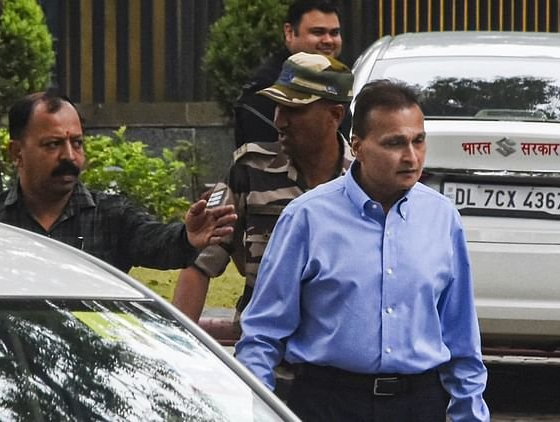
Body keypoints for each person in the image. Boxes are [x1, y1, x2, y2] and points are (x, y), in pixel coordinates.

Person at [235, 80, 490, 422]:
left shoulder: (442, 218)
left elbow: (462, 338)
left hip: (418, 404)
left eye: (418, 141)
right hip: (328, 403)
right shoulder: (307, 218)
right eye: (394, 143)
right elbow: (262, 334)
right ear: (357, 146)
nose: (411, 157)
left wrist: (470, 413)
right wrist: (255, 412)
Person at [172, 52, 354, 323]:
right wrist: (179, 343)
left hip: (336, 340)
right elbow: (199, 264)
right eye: (277, 107)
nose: (279, 121)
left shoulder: (363, 181)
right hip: (262, 341)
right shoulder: (250, 169)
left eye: (294, 110)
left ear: (335, 115)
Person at [0, 91, 237, 273]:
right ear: (17, 152)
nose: (69, 156)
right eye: (53, 144)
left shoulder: (111, 216)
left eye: (77, 143)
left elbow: (154, 240)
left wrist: (186, 237)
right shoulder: (2, 221)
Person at [234, 0, 346, 148]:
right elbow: (264, 156)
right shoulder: (266, 88)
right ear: (289, 33)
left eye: (334, 33)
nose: (328, 40)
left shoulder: (340, 83)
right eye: (318, 32)